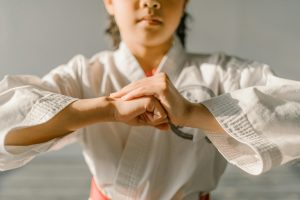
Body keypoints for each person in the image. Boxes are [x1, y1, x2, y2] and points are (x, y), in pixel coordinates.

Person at [0, 0, 300, 199]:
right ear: (109, 2)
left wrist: (195, 113)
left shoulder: (222, 72)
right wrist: (108, 109)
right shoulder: (84, 74)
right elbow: (7, 118)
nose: (151, 2)